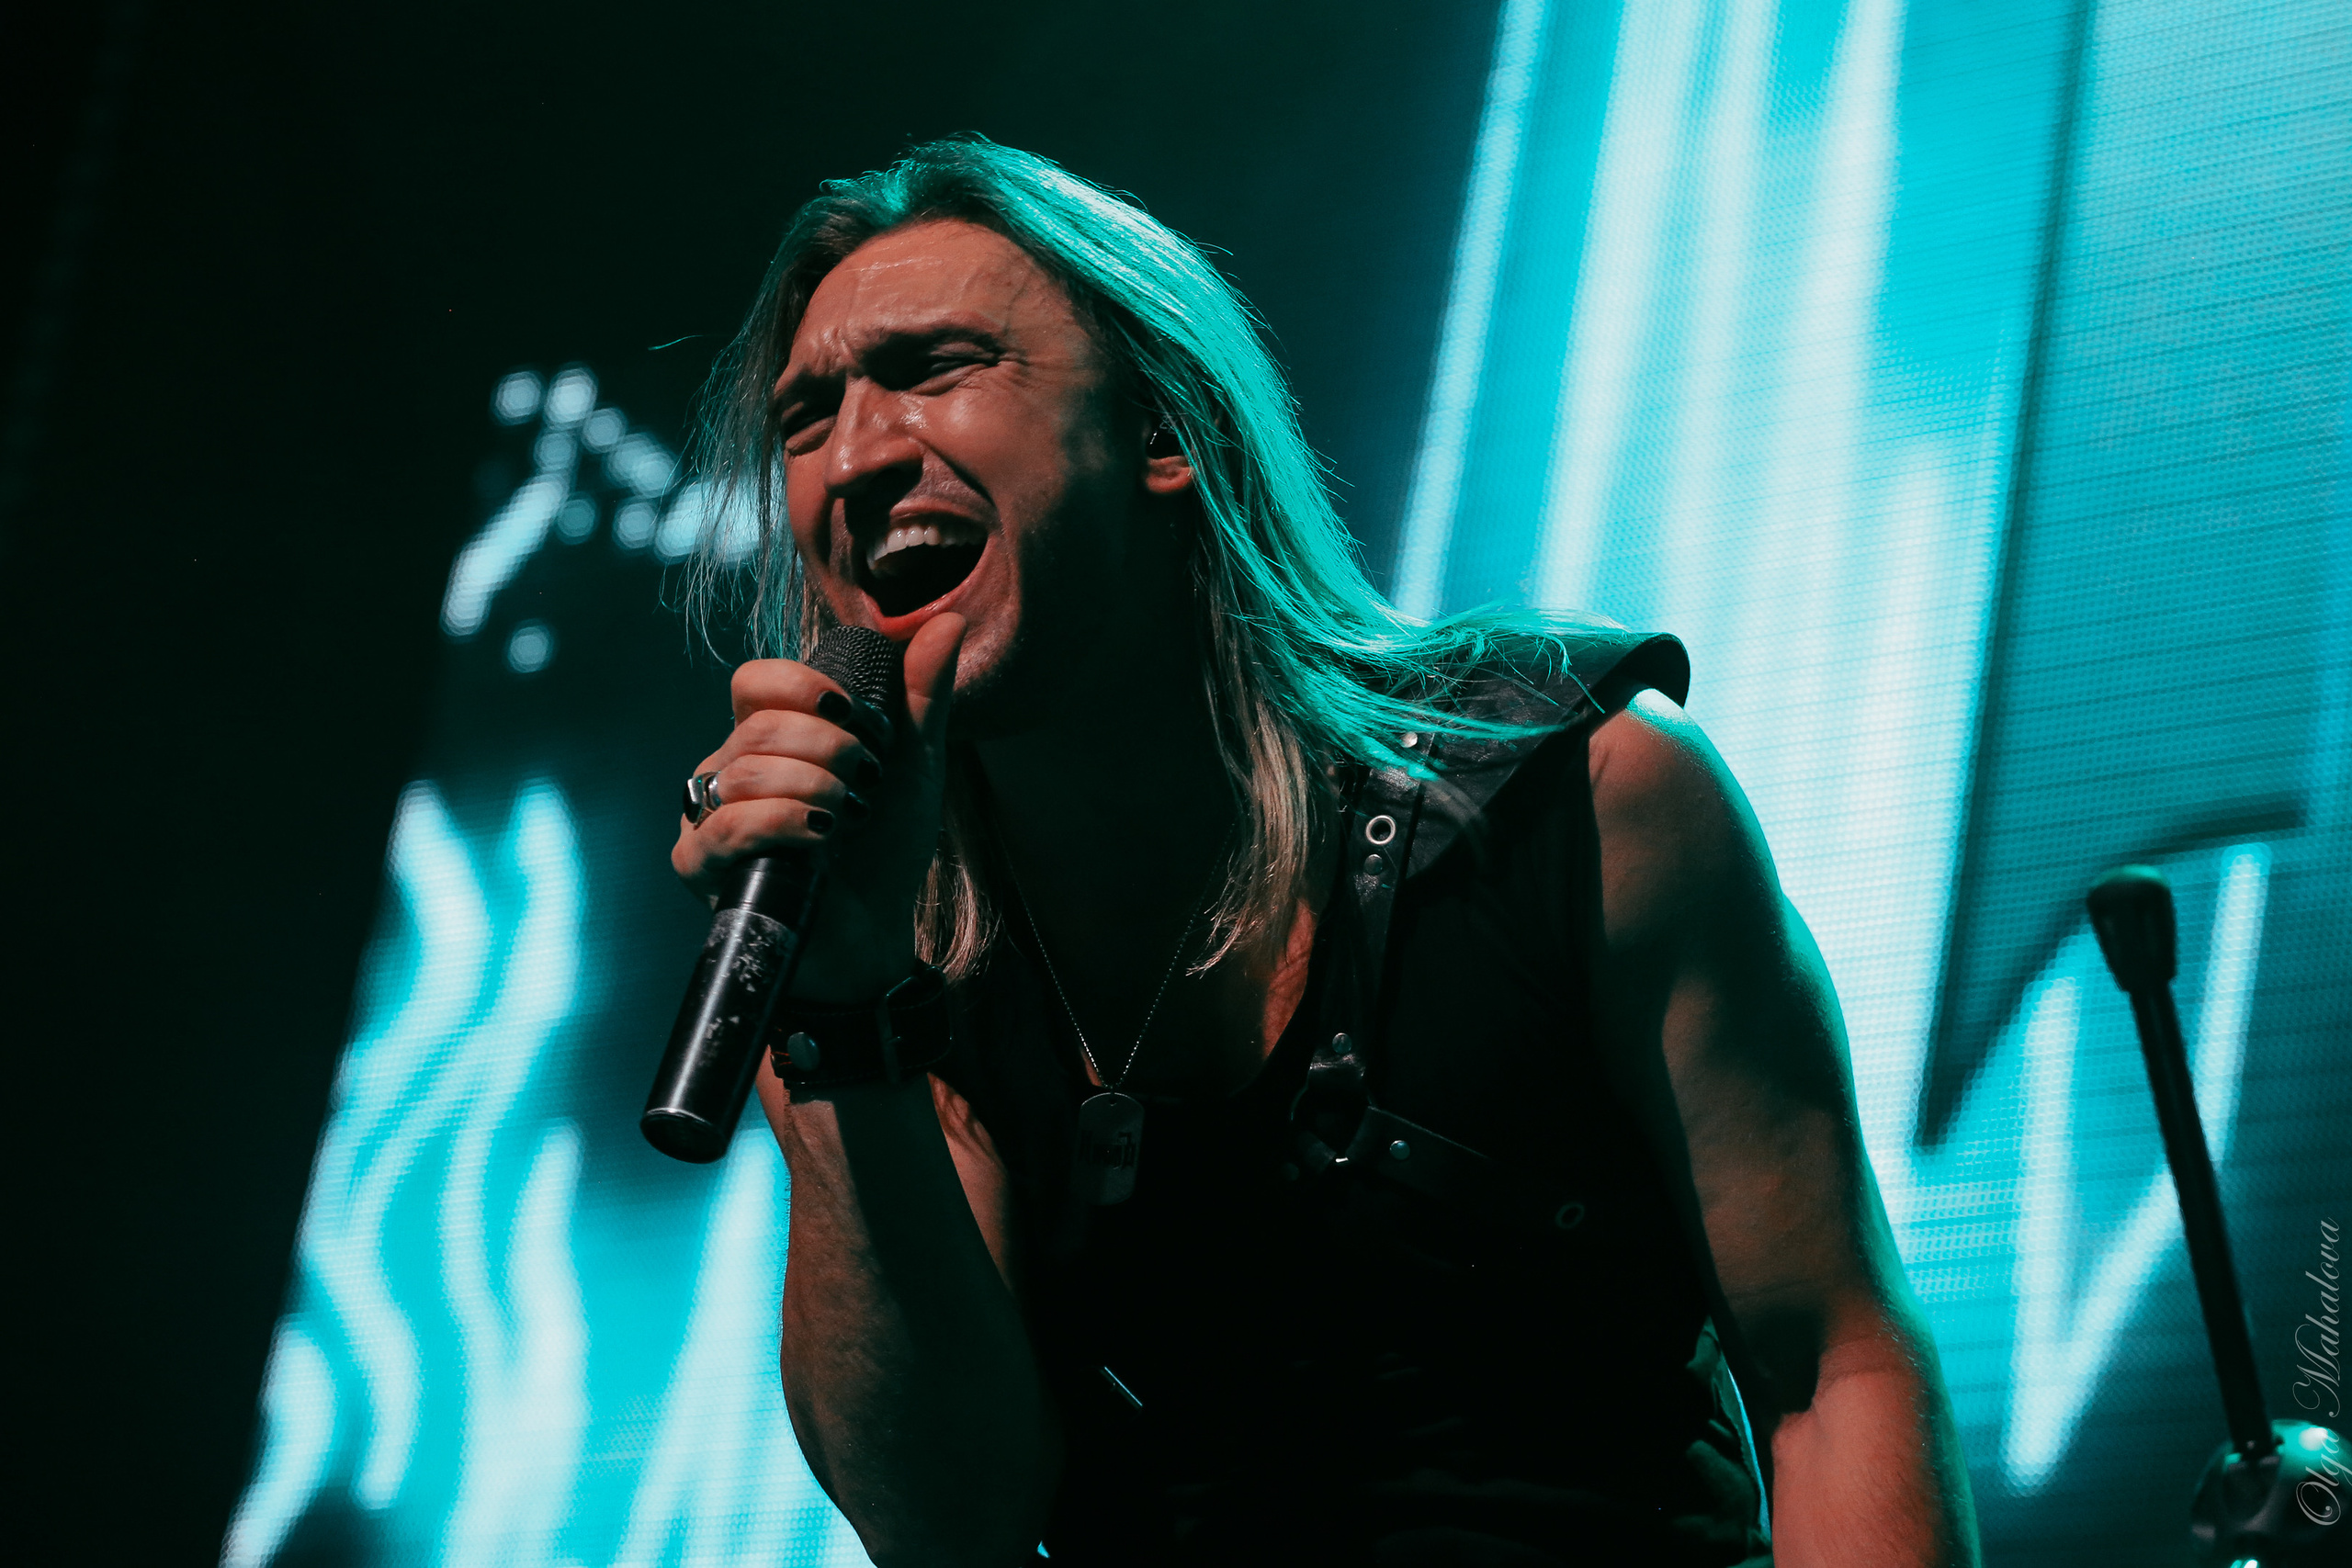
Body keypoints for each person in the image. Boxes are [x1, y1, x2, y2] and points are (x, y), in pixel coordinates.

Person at [671, 136, 1979, 1567]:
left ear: (1166, 433)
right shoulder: (884, 964)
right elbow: (951, 1525)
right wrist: (843, 1026)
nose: (854, 456)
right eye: (805, 419)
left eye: (937, 367)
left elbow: (1833, 1371)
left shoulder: (1573, 803)